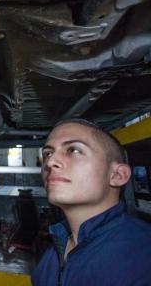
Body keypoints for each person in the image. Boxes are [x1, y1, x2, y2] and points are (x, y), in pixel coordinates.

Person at [32, 119, 151, 286]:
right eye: (48, 153)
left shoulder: (143, 259)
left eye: (73, 150)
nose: (50, 162)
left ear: (117, 175)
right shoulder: (50, 258)